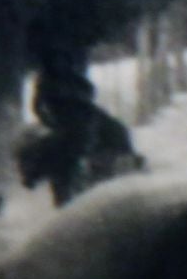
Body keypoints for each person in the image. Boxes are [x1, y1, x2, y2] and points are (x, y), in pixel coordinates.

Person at [18, 71, 141, 207]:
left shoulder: (82, 122)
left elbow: (75, 146)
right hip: (100, 182)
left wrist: (34, 171)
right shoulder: (80, 121)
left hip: (103, 185)